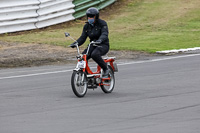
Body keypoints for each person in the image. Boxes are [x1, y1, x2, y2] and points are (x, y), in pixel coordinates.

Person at [70, 7, 110, 77]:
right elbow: (83, 37)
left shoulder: (102, 23)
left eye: (92, 17)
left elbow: (104, 34)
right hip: (93, 45)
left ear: (96, 16)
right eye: (89, 17)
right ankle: (85, 74)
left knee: (94, 54)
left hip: (103, 45)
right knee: (83, 57)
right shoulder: (86, 26)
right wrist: (76, 43)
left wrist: (100, 40)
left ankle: (105, 68)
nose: (90, 18)